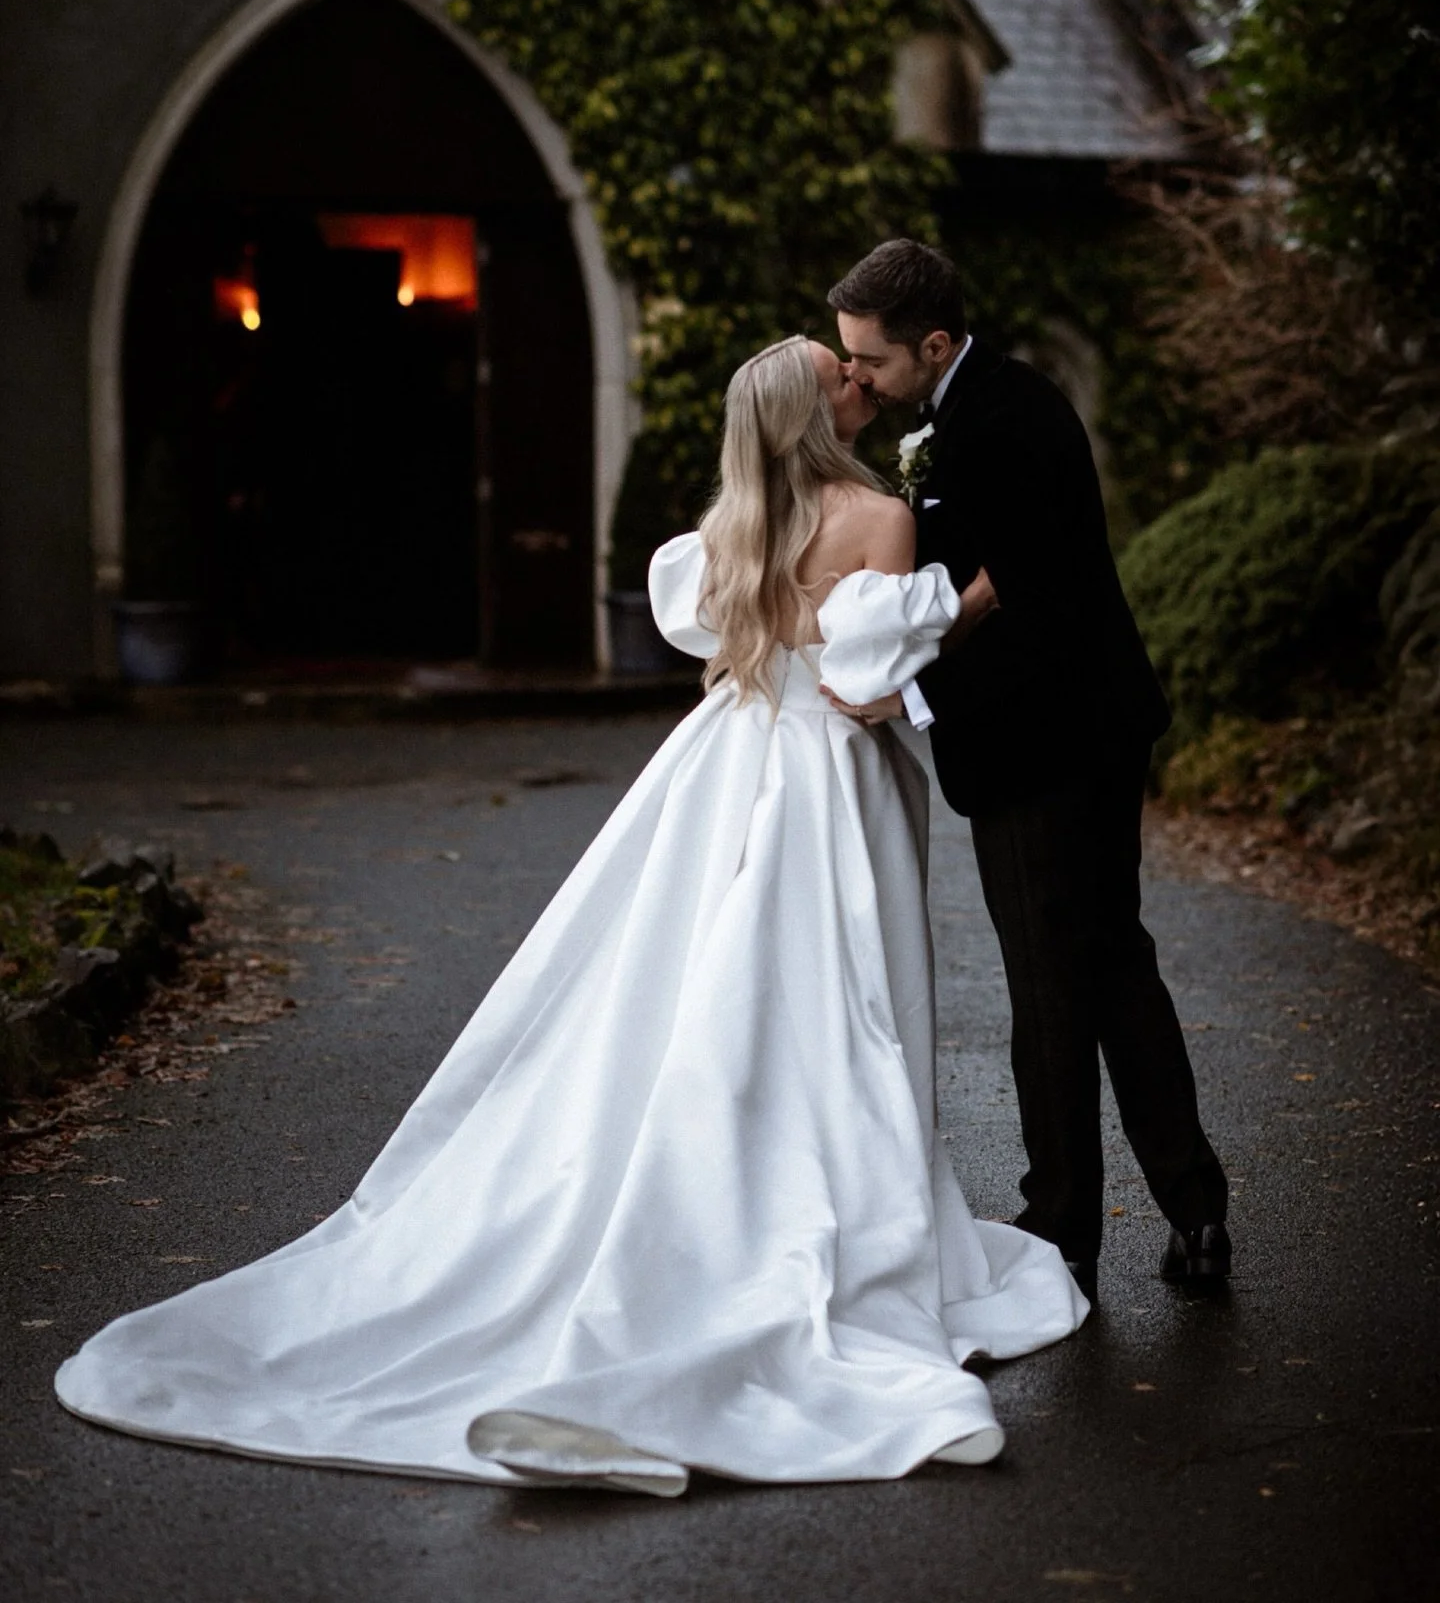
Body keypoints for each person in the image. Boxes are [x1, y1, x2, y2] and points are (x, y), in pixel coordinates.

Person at [56, 336, 1087, 1496]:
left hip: (727, 759)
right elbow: (867, 688)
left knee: (704, 983)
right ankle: (817, 1203)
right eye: (837, 374)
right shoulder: (879, 518)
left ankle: (719, 1179)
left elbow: (731, 640)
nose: (859, 378)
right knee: (837, 997)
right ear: (813, 416)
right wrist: (977, 597)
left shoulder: (730, 527)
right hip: (829, 781)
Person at [825, 242, 1230, 1304]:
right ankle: (1194, 1213)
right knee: (1112, 965)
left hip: (1045, 744)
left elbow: (1033, 607)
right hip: (1084, 730)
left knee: (1051, 990)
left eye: (871, 360)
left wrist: (911, 695)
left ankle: (1061, 1232)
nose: (857, 376)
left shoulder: (1001, 424)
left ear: (935, 345)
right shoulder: (987, 406)